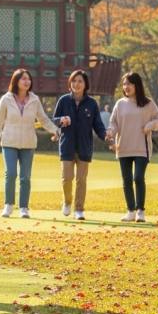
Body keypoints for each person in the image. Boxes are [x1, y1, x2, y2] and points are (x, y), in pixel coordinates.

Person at [0, 68, 61, 219]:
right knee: (10, 174)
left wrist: (55, 130)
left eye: (28, 79)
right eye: (23, 79)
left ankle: (24, 207)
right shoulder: (6, 99)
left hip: (28, 143)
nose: (26, 81)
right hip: (9, 142)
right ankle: (8, 205)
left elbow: (43, 119)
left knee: (25, 177)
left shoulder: (35, 100)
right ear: (16, 81)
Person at [106, 72, 158, 223]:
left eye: (129, 84)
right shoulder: (120, 104)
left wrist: (150, 125)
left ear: (136, 85)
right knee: (126, 180)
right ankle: (130, 211)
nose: (126, 87)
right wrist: (111, 133)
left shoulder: (148, 103)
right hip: (123, 147)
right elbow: (114, 123)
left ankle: (140, 211)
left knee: (138, 177)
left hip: (142, 148)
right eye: (124, 84)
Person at [52, 70, 108, 220]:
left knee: (81, 180)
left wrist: (106, 137)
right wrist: (60, 120)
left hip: (84, 147)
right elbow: (54, 120)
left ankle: (79, 209)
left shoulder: (92, 103)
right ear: (70, 83)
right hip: (66, 146)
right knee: (66, 178)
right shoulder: (63, 100)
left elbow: (98, 125)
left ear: (85, 85)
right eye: (74, 81)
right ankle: (67, 202)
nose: (76, 84)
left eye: (80, 81)